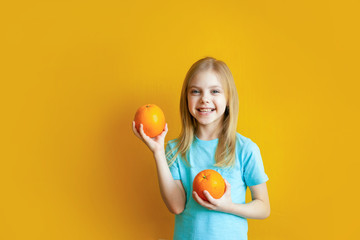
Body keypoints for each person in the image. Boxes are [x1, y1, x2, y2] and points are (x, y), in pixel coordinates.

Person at [132, 56, 270, 240]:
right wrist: (158, 152)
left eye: (215, 91)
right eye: (196, 91)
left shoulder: (246, 149)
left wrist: (228, 206)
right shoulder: (175, 149)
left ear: (228, 99)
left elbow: (263, 207)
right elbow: (176, 206)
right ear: (187, 99)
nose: (205, 99)